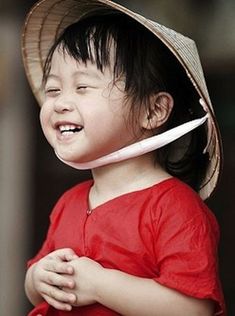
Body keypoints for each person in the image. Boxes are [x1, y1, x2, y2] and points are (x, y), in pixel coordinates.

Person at [22, 0, 226, 315]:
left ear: (153, 110)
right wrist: (38, 278)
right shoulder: (69, 202)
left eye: (82, 86)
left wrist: (99, 285)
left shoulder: (175, 208)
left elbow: (193, 309)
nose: (60, 102)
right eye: (53, 90)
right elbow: (37, 292)